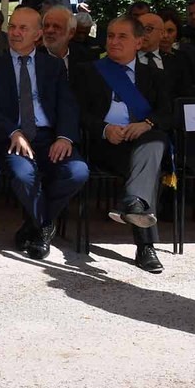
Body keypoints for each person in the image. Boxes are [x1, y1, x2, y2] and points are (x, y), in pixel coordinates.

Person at [0, 6, 88, 260]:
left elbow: (67, 104)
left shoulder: (54, 66)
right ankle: (44, 226)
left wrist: (65, 137)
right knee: (23, 175)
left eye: (23, 28)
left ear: (38, 34)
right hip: (12, 137)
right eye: (13, 26)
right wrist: (13, 131)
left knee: (78, 172)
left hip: (49, 136)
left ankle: (36, 223)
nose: (15, 33)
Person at [70, 16, 172, 273]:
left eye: (122, 37)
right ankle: (145, 245)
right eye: (110, 36)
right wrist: (104, 129)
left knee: (155, 141)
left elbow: (169, 113)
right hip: (105, 145)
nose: (114, 41)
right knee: (149, 165)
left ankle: (133, 203)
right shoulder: (88, 71)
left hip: (142, 142)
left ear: (139, 42)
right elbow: (77, 112)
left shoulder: (155, 76)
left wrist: (147, 123)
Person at [137, 11, 195, 96]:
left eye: (149, 29)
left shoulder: (179, 60)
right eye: (142, 29)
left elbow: (188, 92)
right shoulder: (127, 58)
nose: (165, 36)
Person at [41, 5, 93, 75]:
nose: (49, 30)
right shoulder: (33, 57)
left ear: (71, 33)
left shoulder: (84, 57)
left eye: (56, 27)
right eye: (46, 26)